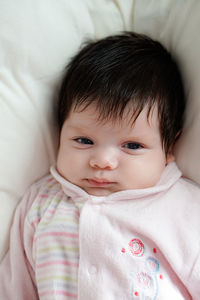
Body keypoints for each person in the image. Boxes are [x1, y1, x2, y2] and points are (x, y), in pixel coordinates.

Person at [0, 32, 200, 300]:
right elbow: (15, 286)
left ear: (169, 150)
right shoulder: (41, 203)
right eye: (84, 140)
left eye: (132, 145)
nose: (102, 161)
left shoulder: (184, 209)